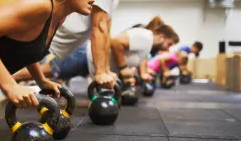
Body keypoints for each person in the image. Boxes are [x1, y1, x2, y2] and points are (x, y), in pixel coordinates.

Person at [14, 0, 136, 90]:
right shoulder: (42, 5)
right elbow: (99, 25)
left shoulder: (58, 20)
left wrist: (105, 70)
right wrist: (100, 72)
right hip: (52, 42)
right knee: (14, 72)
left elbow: (106, 28)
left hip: (52, 45)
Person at [13, 16, 179, 87]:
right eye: (169, 44)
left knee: (50, 73)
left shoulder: (147, 40)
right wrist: (122, 68)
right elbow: (116, 42)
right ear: (162, 36)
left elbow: (130, 53)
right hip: (85, 56)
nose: (168, 49)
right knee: (46, 72)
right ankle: (8, 78)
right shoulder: (146, 36)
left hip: (89, 62)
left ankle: (12, 80)